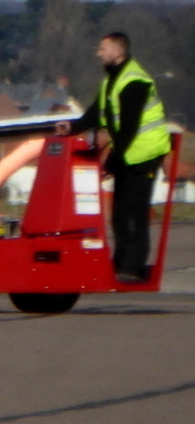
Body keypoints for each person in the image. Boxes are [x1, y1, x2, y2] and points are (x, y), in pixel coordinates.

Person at [56, 32, 173, 281]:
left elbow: (129, 126)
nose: (98, 53)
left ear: (118, 52)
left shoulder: (135, 81)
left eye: (103, 49)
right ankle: (119, 263)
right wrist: (74, 127)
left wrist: (113, 160)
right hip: (127, 153)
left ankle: (133, 268)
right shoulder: (112, 80)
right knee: (120, 212)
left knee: (135, 211)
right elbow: (98, 111)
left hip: (144, 153)